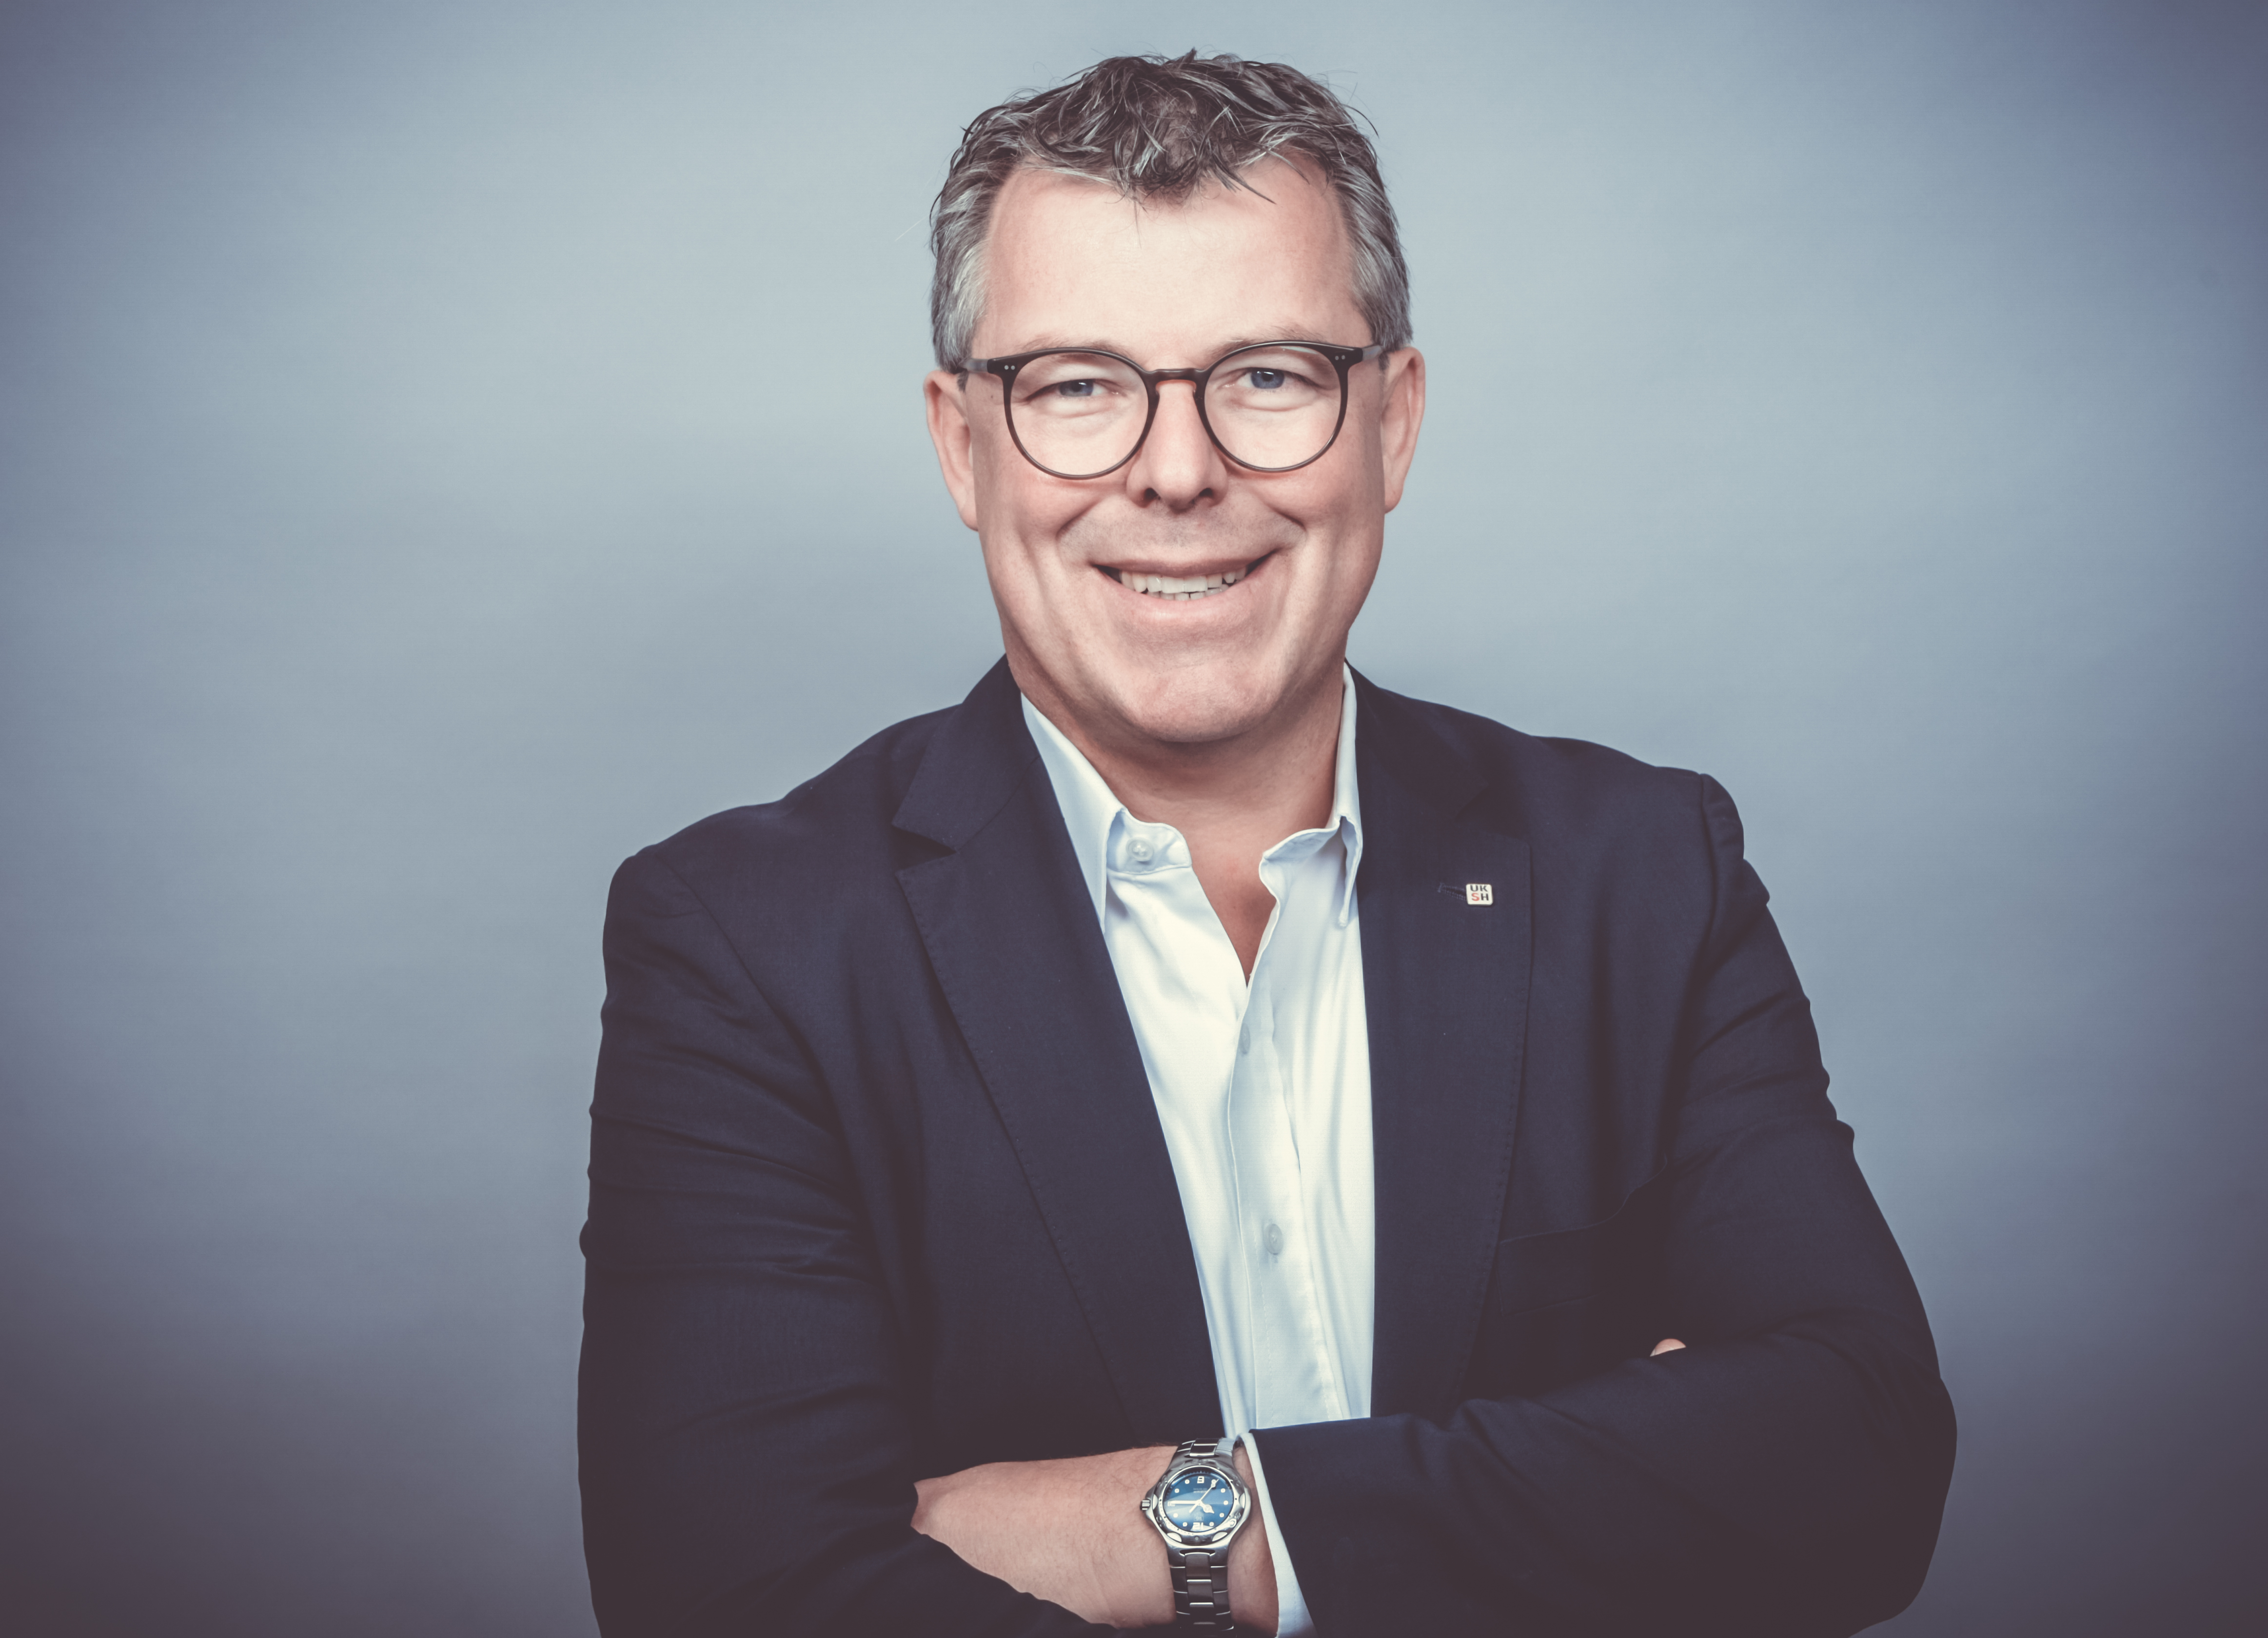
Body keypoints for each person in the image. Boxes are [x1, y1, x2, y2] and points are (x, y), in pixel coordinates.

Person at [577, 52, 1955, 1637]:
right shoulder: (748, 943)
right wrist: (1594, 1468)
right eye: (1076, 386)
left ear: (1393, 423)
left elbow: (1856, 1458)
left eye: (1270, 377)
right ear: (963, 446)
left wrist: (1202, 1529)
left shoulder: (1641, 873)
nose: (1178, 472)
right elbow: (730, 1594)